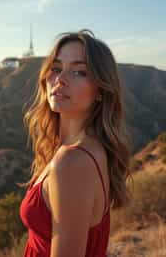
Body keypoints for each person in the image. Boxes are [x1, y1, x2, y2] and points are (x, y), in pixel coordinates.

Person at [19, 29, 132, 257]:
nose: (60, 79)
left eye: (79, 72)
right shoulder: (83, 148)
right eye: (56, 68)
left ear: (100, 89)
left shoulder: (72, 162)